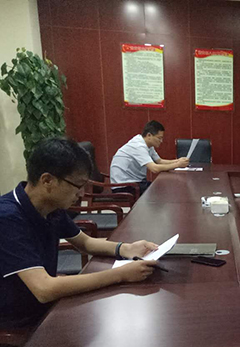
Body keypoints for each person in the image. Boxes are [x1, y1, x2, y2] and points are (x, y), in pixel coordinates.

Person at [0, 138, 159, 328]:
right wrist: (120, 274)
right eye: (78, 185)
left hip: (44, 305)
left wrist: (126, 248)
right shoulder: (7, 218)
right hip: (19, 318)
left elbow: (85, 243)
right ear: (47, 180)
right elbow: (44, 289)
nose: (82, 194)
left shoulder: (51, 207)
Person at [110, 120, 189, 195]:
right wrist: (178, 165)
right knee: (160, 191)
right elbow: (154, 169)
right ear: (149, 135)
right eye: (159, 138)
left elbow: (159, 161)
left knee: (161, 188)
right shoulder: (138, 146)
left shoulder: (148, 145)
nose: (161, 141)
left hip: (135, 183)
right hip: (123, 186)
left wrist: (178, 161)